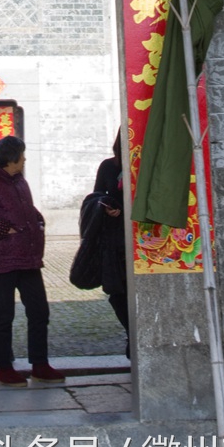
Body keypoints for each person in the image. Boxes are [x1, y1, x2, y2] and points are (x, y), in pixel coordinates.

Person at [0, 134, 65, 387]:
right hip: (3, 260)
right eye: (22, 156)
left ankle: (40, 365)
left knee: (39, 312)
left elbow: (27, 209)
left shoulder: (20, 181)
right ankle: (4, 368)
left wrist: (38, 221)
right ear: (12, 158)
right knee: (2, 316)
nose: (24, 159)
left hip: (29, 258)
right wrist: (3, 229)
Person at [94, 130, 130, 358]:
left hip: (145, 239)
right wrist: (106, 206)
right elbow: (95, 197)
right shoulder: (108, 167)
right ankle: (131, 331)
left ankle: (136, 337)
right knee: (117, 292)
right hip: (115, 242)